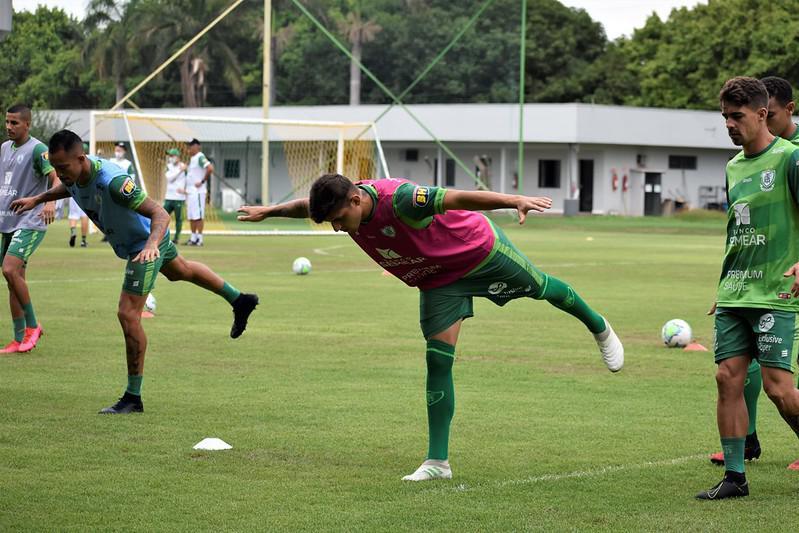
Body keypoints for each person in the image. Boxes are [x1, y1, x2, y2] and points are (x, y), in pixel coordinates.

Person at [238, 173, 624, 481]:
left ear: (356, 199)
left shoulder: (402, 199)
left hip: (478, 252)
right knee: (438, 362)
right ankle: (438, 462)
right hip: (438, 279)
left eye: (340, 220)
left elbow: (459, 197)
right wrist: (269, 211)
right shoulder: (340, 203)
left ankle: (599, 325)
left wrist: (513, 201)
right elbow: (305, 206)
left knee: (542, 288)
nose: (340, 229)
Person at [11, 130, 260, 413]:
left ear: (81, 158)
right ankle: (240, 300)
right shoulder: (74, 173)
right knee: (182, 271)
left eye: (63, 168)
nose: (59, 174)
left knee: (128, 314)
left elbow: (160, 213)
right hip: (140, 243)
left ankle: (133, 397)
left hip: (145, 244)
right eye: (55, 168)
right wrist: (38, 199)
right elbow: (67, 187)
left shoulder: (114, 182)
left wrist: (152, 244)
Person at [696, 77, 799, 500]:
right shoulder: (732, 167)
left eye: (737, 116)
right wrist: (724, 284)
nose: (729, 124)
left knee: (777, 387)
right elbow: (737, 232)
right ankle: (735, 478)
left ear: (762, 114)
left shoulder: (790, 159)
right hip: (736, 291)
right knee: (727, 378)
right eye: (724, 117)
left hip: (776, 291)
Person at [0, 104, 60, 354]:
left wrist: (51, 202)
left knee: (9, 270)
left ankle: (33, 326)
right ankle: (18, 338)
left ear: (27, 124)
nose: (9, 127)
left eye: (14, 123)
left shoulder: (38, 149)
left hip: (30, 220)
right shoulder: (4, 148)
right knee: (14, 280)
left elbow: (56, 176)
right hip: (7, 221)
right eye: (7, 122)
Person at [184, 138, 212, 246]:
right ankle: (193, 237)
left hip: (198, 191)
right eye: (189, 145)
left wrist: (202, 181)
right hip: (191, 191)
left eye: (192, 145)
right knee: (191, 215)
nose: (190, 148)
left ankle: (200, 238)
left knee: (198, 215)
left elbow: (210, 168)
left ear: (198, 146)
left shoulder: (200, 156)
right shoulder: (192, 159)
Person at [162, 148, 187, 245]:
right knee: (162, 217)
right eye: (170, 156)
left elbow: (189, 180)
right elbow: (170, 178)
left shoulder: (184, 167)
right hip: (169, 197)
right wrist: (180, 171)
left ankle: (176, 238)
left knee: (178, 219)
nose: (170, 158)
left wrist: (186, 191)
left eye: (172, 156)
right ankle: (162, 236)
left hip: (179, 198)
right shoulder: (168, 167)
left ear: (178, 157)